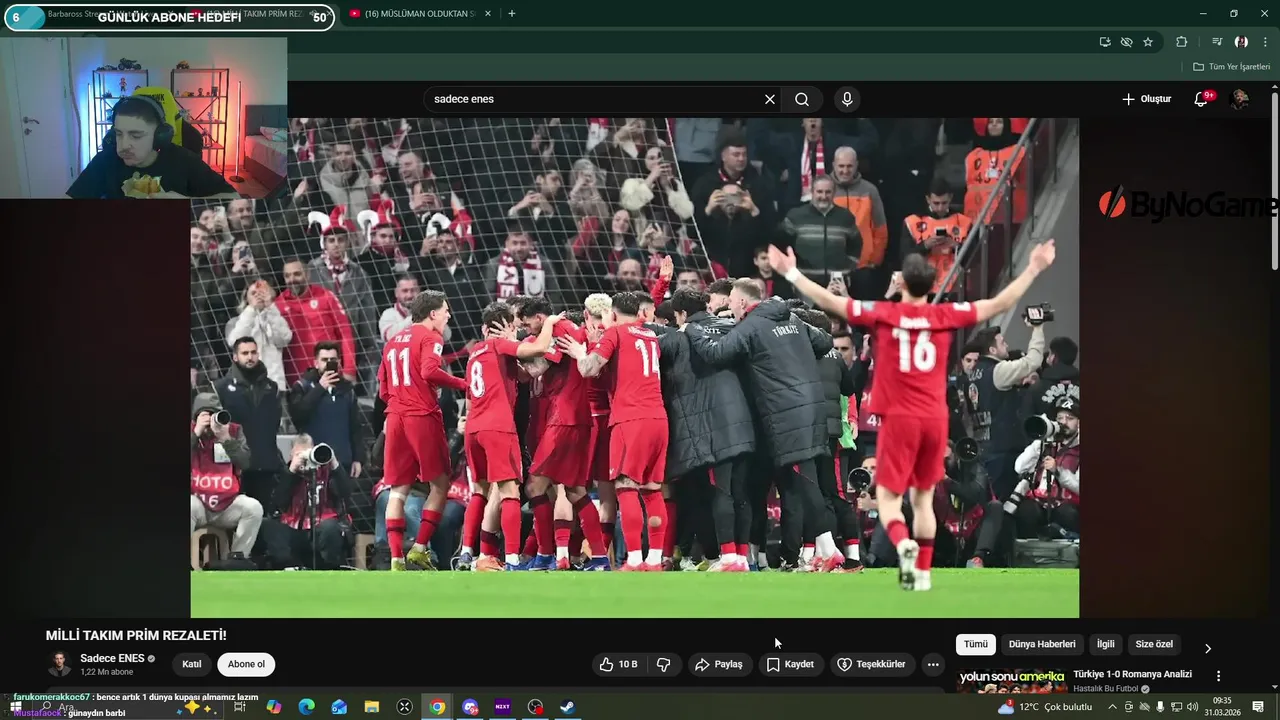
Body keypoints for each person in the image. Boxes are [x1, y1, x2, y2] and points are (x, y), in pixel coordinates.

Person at [766, 239, 1057, 590]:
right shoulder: (944, 315)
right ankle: (921, 572)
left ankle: (904, 545)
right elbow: (1000, 303)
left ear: (902, 282)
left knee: (890, 499)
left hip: (898, 418)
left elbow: (832, 302)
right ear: (933, 285)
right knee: (922, 499)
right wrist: (1034, 267)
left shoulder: (884, 313)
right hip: (934, 419)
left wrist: (791, 272)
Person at [684, 278, 843, 572]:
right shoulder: (791, 318)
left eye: (732, 302)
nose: (731, 307)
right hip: (812, 406)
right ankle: (826, 550)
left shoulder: (752, 326)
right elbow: (825, 341)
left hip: (787, 412)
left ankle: (830, 550)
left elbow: (716, 354)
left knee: (805, 481)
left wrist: (693, 328)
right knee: (806, 479)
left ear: (743, 302)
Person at [558, 291, 670, 571]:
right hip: (659, 419)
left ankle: (634, 559)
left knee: (625, 487)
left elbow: (588, 369)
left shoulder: (616, 333)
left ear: (614, 314)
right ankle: (655, 559)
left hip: (630, 419)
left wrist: (581, 352)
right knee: (652, 490)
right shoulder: (650, 336)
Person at [461, 302, 565, 571]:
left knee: (480, 490)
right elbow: (539, 348)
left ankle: (467, 553)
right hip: (498, 427)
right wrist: (550, 323)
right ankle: (511, 559)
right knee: (509, 492)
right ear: (506, 326)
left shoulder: (474, 354)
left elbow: (522, 375)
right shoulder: (500, 345)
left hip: (473, 428)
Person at [661, 286, 757, 571]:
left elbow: (648, 340)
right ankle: (742, 557)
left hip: (712, 429)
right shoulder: (733, 328)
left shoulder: (679, 337)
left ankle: (727, 557)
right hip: (744, 423)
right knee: (741, 492)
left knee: (721, 492)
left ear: (681, 313)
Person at [378, 290, 469, 571]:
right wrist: (463, 384)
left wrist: (402, 398)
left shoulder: (392, 342)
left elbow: (383, 390)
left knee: (397, 490)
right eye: (445, 310)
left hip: (395, 417)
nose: (448, 315)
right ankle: (419, 548)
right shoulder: (431, 337)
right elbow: (430, 371)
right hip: (421, 416)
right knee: (440, 485)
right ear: (432, 313)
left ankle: (396, 559)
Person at [517, 297, 611, 571]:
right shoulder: (565, 329)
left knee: (535, 486)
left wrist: (512, 351)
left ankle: (546, 554)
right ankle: (600, 558)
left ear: (540, 317)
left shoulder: (559, 328)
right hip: (577, 419)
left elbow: (537, 368)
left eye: (528, 324)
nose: (526, 329)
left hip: (564, 419)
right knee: (575, 491)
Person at [67, 95, 238, 200]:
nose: (123, 145)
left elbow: (234, 198)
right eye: (118, 134)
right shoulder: (105, 161)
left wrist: (188, 204)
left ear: (160, 136)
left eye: (136, 136)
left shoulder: (184, 160)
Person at [265, 434, 354, 569]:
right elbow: (278, 501)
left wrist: (334, 463)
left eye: (308, 454)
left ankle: (328, 570)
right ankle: (288, 568)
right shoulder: (285, 472)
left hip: (322, 526)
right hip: (293, 527)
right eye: (300, 455)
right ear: (291, 455)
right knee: (269, 526)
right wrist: (291, 472)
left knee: (330, 527)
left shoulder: (327, 471)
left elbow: (345, 492)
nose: (305, 460)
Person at [1011, 397, 1080, 539]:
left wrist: (1058, 471)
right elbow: (1019, 467)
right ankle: (1029, 551)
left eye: (1070, 418)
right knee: (1026, 511)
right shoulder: (1045, 443)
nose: (1064, 422)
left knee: (1068, 514)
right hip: (1039, 499)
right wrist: (1040, 440)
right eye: (1060, 418)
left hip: (1066, 503)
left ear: (1079, 422)